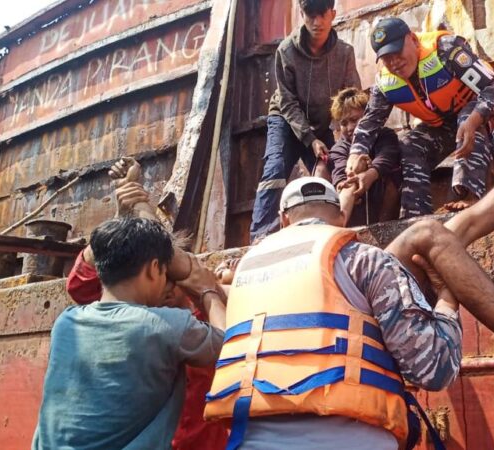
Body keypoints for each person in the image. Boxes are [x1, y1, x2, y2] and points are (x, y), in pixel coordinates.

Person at [205, 177, 461, 450]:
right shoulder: (366, 260)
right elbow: (434, 370)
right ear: (341, 218)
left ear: (283, 221)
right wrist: (447, 303)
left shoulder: (243, 275)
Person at [65, 159, 230, 450]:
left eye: (172, 277)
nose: (165, 288)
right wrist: (125, 216)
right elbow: (81, 283)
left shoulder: (189, 320)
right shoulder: (149, 318)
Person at [33, 217, 227, 450]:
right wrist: (208, 290)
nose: (167, 286)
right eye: (166, 274)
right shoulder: (168, 326)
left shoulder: (66, 322)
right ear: (155, 269)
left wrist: (121, 223)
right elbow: (231, 344)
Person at [346, 17, 494, 217]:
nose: (394, 62)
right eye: (386, 58)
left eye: (397, 52)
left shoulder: (447, 50)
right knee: (409, 144)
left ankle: (468, 194)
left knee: (466, 119)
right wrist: (356, 152)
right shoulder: (385, 83)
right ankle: (416, 213)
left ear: (412, 39)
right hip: (443, 127)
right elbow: (369, 123)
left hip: (484, 117)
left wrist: (475, 118)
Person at [250, 0, 361, 241]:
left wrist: (351, 141)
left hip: (321, 124)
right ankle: (260, 237)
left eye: (322, 14)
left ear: (332, 14)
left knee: (331, 172)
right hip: (285, 119)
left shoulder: (345, 53)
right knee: (275, 168)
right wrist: (310, 139)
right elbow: (287, 102)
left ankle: (326, 231)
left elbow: (352, 100)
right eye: (310, 14)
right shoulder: (286, 51)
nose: (316, 22)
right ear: (302, 13)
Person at [328, 87, 401, 226]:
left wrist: (369, 174)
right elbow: (341, 171)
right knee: (349, 181)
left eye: (354, 120)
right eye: (343, 123)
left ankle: (385, 229)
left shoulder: (385, 136)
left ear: (367, 117)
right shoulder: (339, 148)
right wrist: (348, 181)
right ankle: (340, 225)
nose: (349, 128)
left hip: (382, 203)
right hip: (354, 203)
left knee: (393, 177)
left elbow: (387, 157)